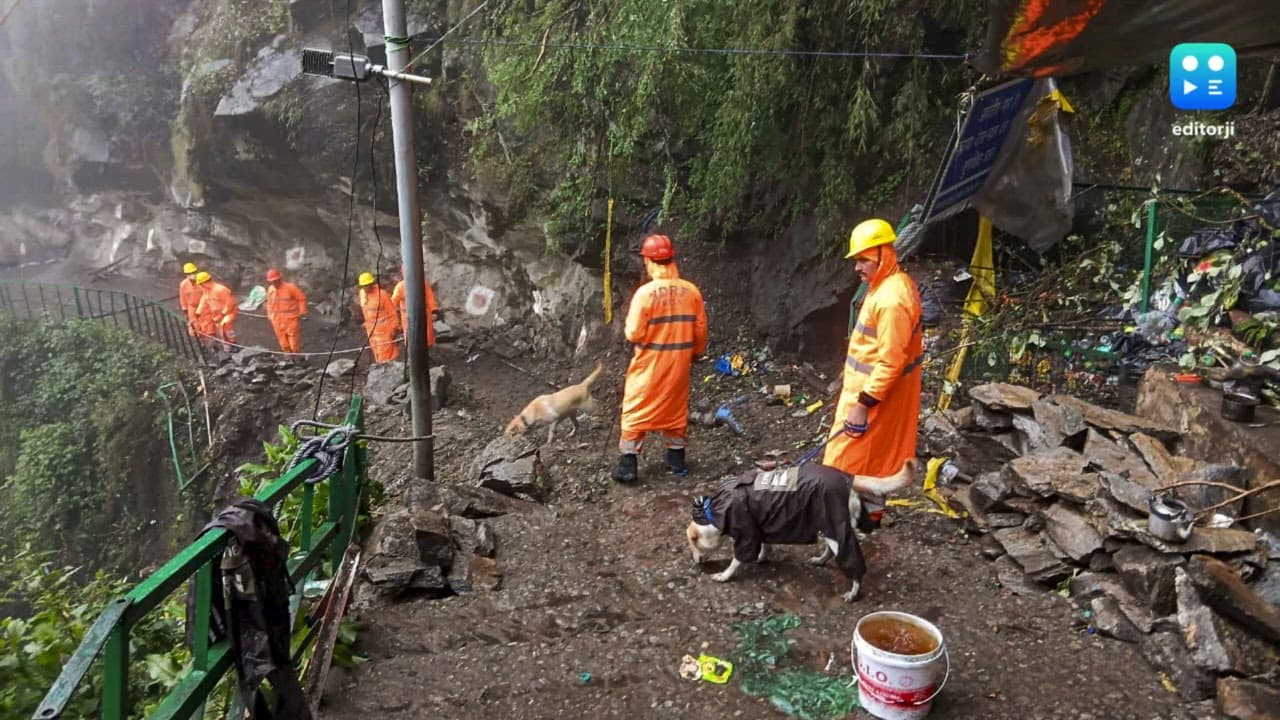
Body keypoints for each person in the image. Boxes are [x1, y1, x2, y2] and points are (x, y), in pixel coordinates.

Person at [823, 218, 924, 480]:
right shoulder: (885, 287)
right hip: (868, 393)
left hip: (874, 399)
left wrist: (863, 404)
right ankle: (861, 519)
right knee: (871, 466)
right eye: (856, 260)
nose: (857, 268)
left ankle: (846, 520)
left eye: (863, 260)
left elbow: (892, 360)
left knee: (843, 469)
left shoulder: (892, 299)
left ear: (884, 255)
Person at [611, 234, 708, 484]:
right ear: (671, 258)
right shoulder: (691, 291)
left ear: (650, 261)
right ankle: (676, 462)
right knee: (675, 409)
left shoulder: (645, 294)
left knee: (636, 409)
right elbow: (700, 331)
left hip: (649, 364)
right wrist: (695, 353)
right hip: (679, 364)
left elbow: (633, 332)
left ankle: (628, 465)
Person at [391, 265, 440, 348]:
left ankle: (425, 356)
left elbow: (430, 298)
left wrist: (434, 311)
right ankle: (413, 356)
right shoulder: (400, 287)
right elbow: (393, 302)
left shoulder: (423, 283)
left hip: (423, 315)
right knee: (412, 338)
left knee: (426, 336)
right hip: (408, 317)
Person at [357, 272, 401, 363]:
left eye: (367, 285)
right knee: (376, 351)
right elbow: (365, 310)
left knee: (384, 353)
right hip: (371, 330)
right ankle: (384, 369)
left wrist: (394, 328)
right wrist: (366, 323)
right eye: (364, 286)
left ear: (372, 284)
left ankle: (386, 371)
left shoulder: (382, 295)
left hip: (384, 330)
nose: (366, 288)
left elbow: (392, 313)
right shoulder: (362, 294)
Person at [264, 268, 308, 354]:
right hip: (276, 320)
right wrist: (270, 315)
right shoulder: (271, 289)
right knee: (283, 343)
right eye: (272, 281)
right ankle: (288, 359)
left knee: (294, 344)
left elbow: (301, 299)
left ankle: (298, 359)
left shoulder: (290, 287)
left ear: (280, 278)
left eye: (276, 280)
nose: (274, 283)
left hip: (290, 320)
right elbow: (269, 303)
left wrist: (302, 312)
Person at [195, 271, 239, 350]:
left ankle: (233, 344)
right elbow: (204, 301)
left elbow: (230, 303)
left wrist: (223, 314)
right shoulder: (207, 291)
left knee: (225, 327)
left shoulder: (220, 290)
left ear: (203, 283)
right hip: (216, 313)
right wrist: (198, 312)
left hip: (228, 312)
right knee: (220, 329)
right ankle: (227, 346)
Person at [179, 262, 201, 337]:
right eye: (189, 273)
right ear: (186, 274)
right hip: (192, 307)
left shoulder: (202, 281)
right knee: (194, 326)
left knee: (207, 326)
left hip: (203, 307)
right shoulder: (183, 284)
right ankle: (199, 340)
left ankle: (210, 342)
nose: (192, 274)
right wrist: (185, 310)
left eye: (193, 272)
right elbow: (183, 298)